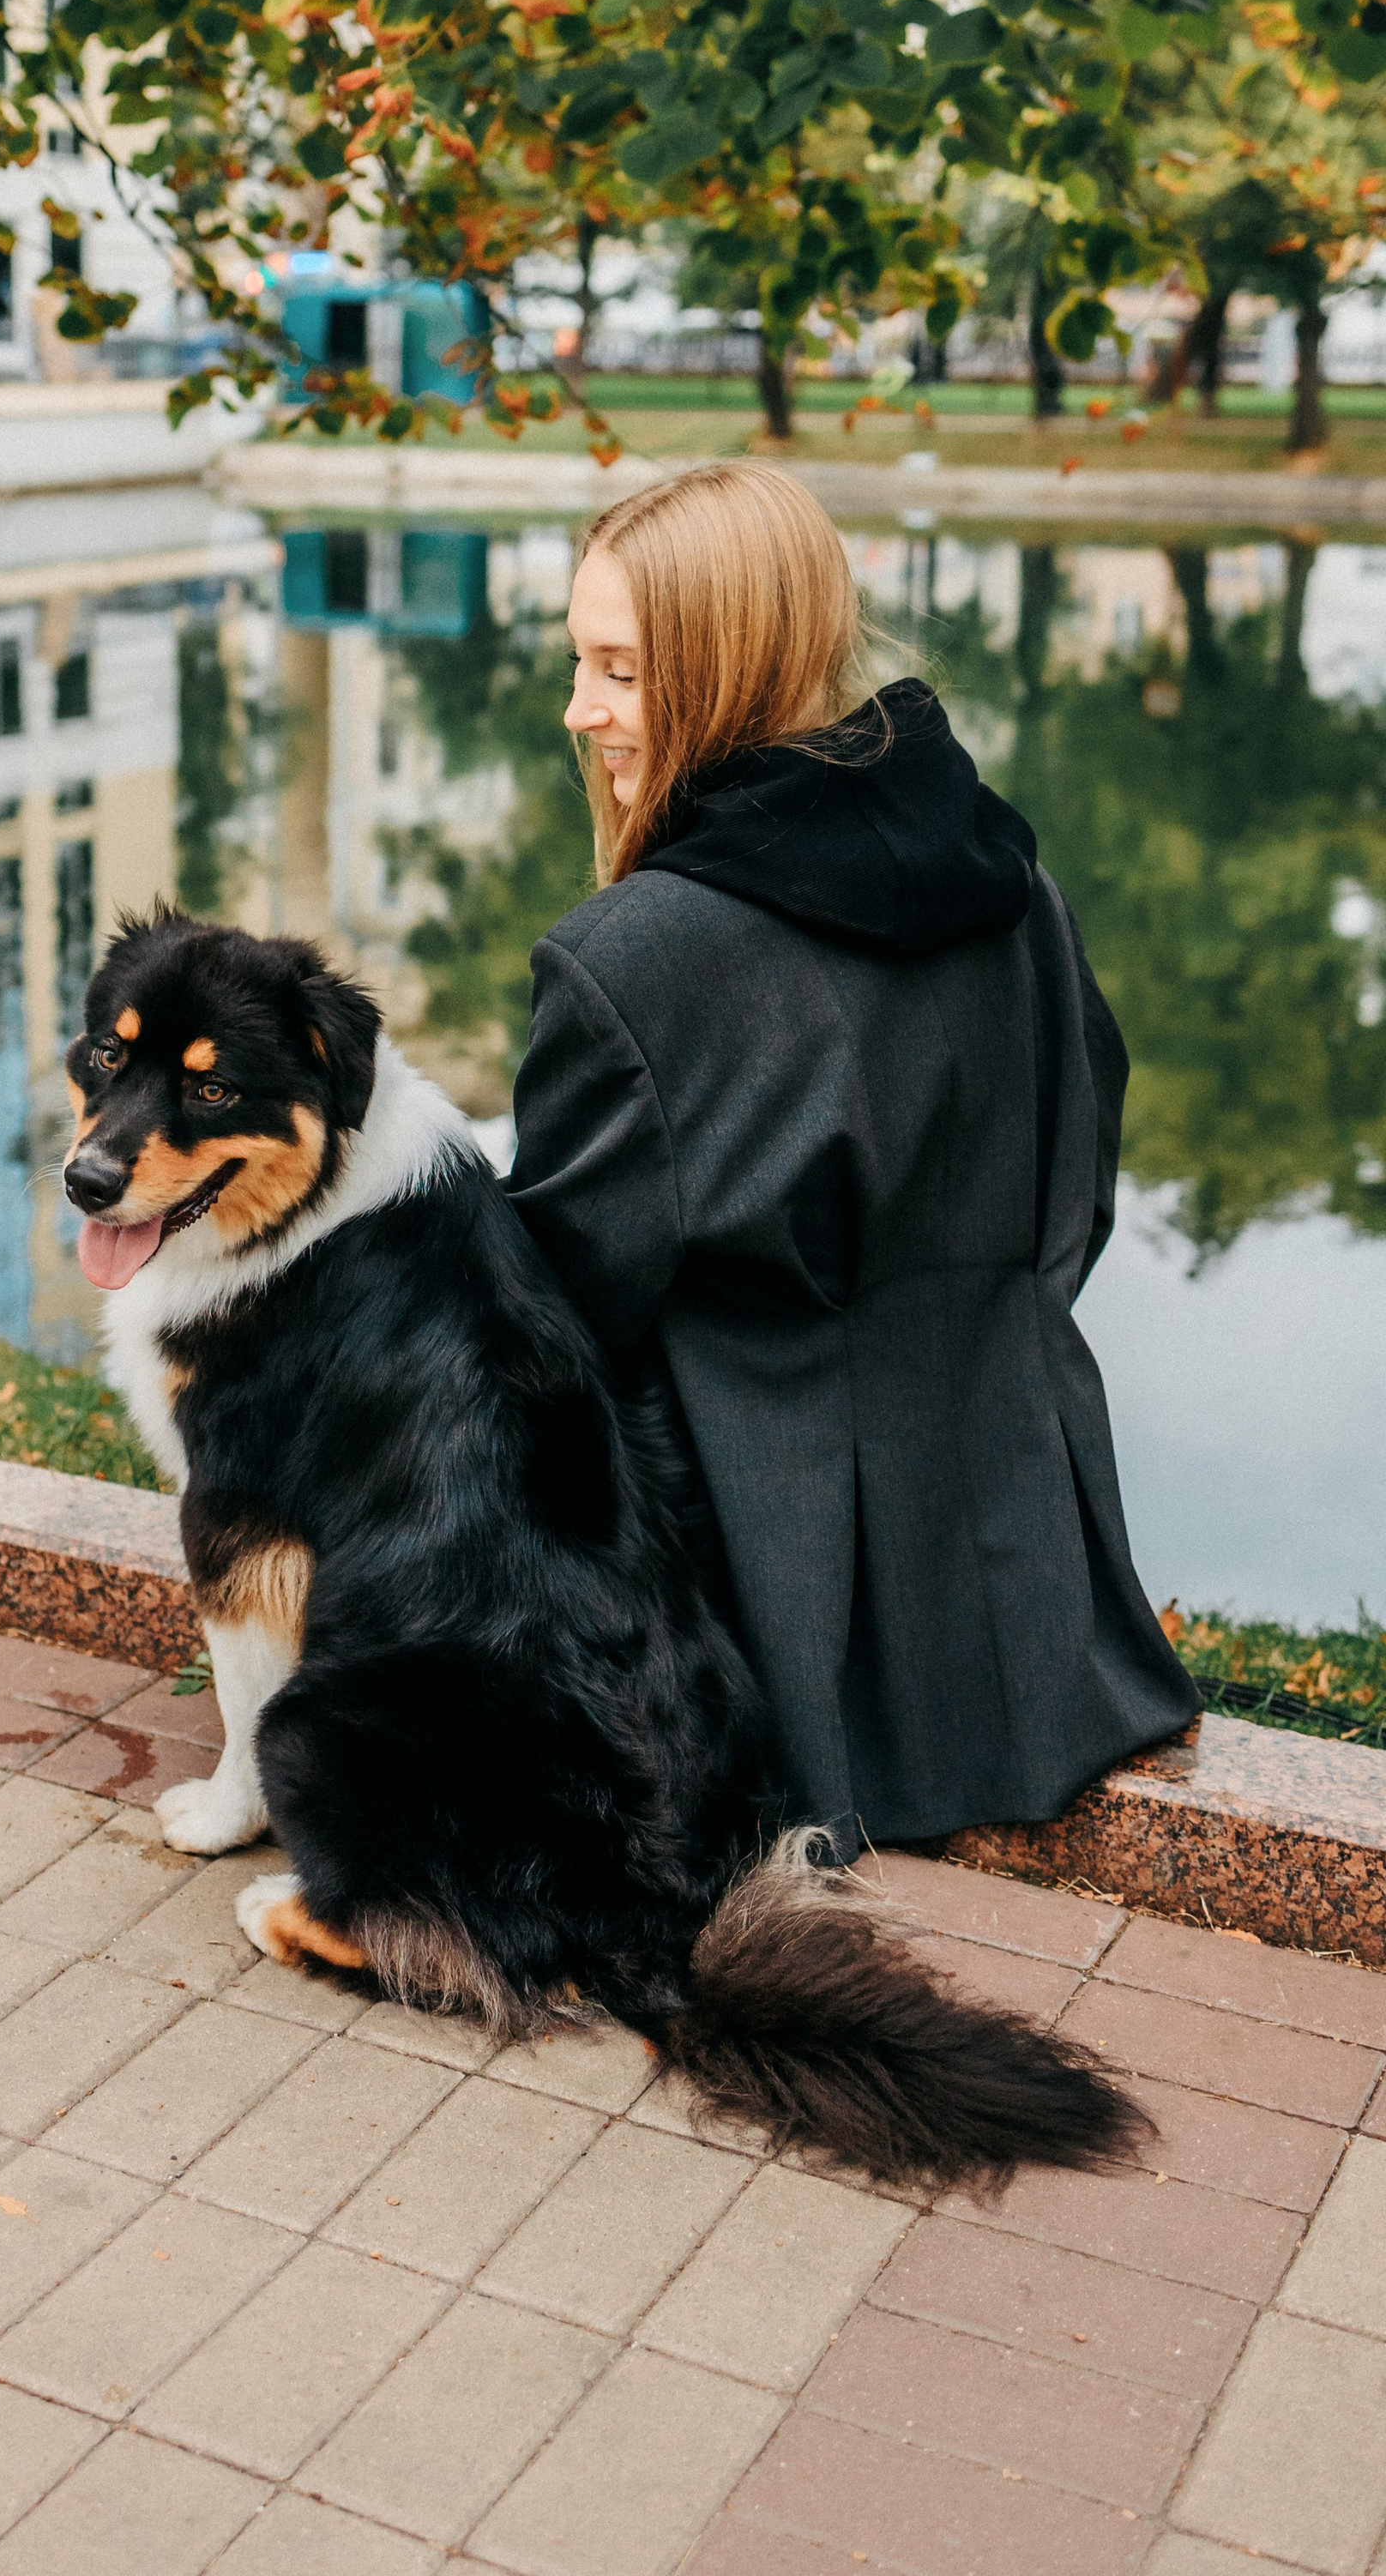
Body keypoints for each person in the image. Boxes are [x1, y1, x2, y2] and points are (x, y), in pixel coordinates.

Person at [506, 458, 1196, 1857]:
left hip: (764, 1614)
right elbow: (1078, 1189)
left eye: (620, 672)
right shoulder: (1016, 882)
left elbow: (549, 1328)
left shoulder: (631, 963)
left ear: (725, 668)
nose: (580, 710)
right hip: (1030, 1595)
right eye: (581, 663)